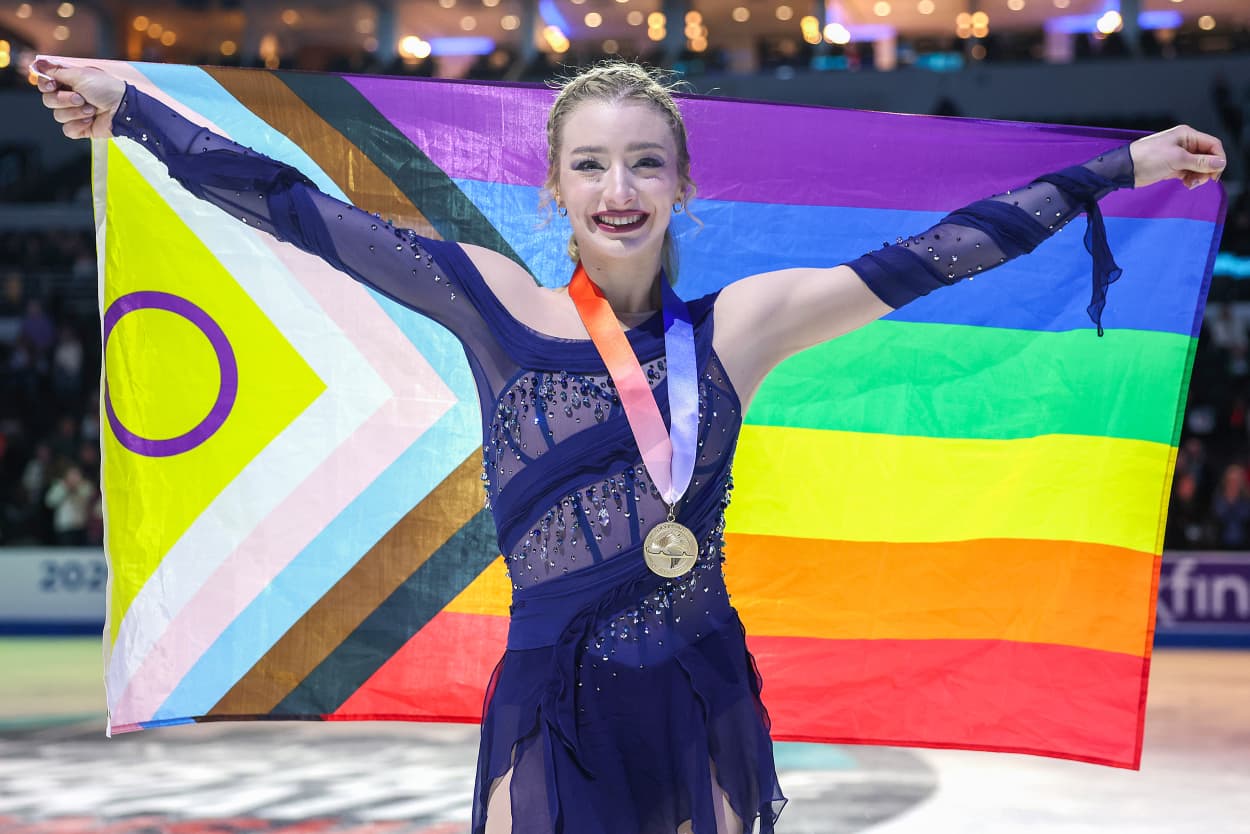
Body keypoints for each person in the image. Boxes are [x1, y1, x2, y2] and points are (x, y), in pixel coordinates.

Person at [36, 57, 1225, 834]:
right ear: (554, 188)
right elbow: (301, 211)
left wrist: (1120, 167)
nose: (618, 186)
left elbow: (934, 255)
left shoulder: (744, 327)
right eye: (591, 164)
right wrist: (134, 111)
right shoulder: (488, 301)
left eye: (644, 161)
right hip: (550, 700)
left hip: (699, 686)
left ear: (681, 186)